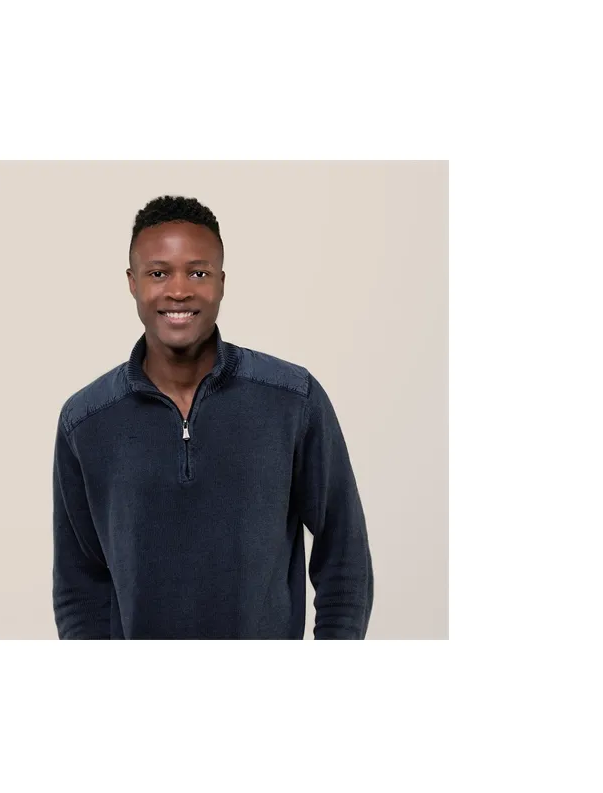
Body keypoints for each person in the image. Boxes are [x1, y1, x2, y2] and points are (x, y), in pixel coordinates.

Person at [52, 195, 373, 639]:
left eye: (198, 273)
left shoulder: (292, 400)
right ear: (132, 282)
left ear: (222, 282)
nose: (178, 290)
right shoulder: (86, 421)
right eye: (158, 273)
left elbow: (345, 557)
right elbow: (79, 588)